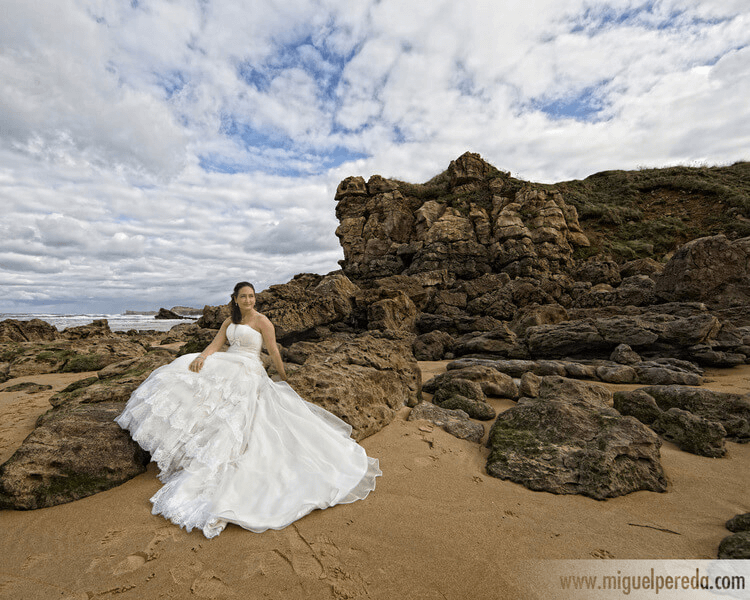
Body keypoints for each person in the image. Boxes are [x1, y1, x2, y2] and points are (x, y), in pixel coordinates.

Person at [115, 281, 381, 539]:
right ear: (235, 299)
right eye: (243, 296)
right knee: (183, 369)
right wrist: (202, 356)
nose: (248, 300)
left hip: (248, 369)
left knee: (236, 411)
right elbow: (217, 345)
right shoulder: (228, 322)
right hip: (226, 362)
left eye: (252, 296)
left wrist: (284, 377)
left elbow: (274, 350)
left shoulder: (262, 321)